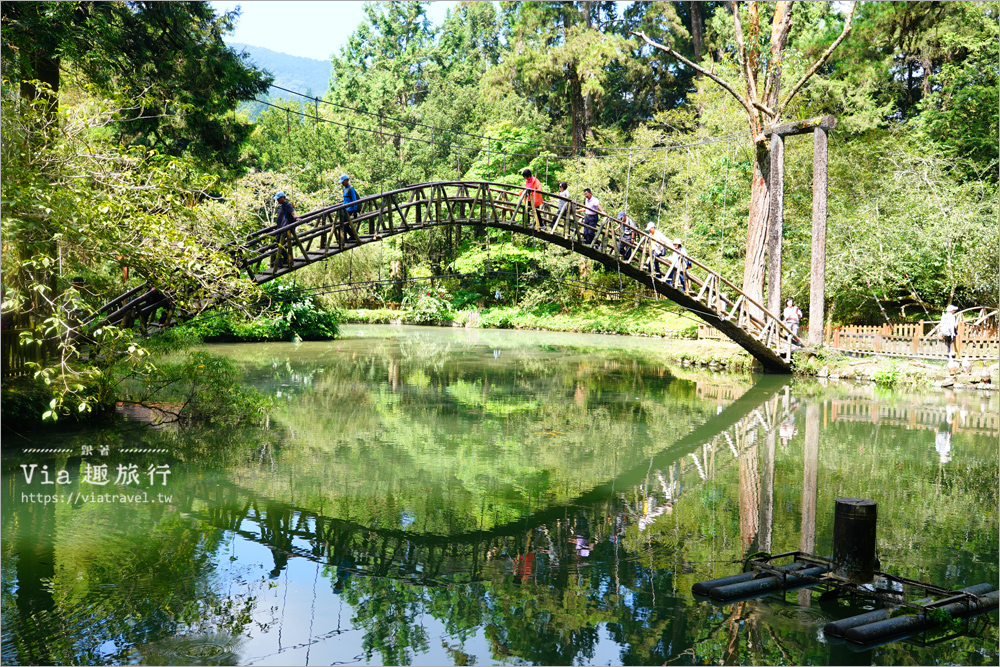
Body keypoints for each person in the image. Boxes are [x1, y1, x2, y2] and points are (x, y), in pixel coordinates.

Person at [273, 191, 297, 268]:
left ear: (282, 197)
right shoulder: (281, 206)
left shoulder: (287, 205)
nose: (277, 200)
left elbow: (293, 213)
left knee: (279, 245)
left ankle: (284, 260)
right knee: (277, 244)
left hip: (285, 229)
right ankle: (281, 260)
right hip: (280, 229)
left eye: (278, 199)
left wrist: (296, 218)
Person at [339, 174, 362, 243]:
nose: (342, 183)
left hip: (350, 209)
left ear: (347, 180)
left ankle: (352, 236)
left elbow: (354, 200)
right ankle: (346, 238)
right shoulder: (344, 189)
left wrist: (355, 211)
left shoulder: (351, 189)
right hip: (345, 208)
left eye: (343, 182)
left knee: (344, 223)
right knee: (343, 223)